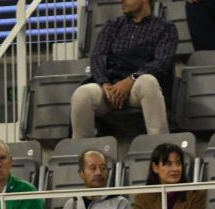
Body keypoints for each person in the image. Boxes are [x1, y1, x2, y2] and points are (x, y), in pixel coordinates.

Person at [70, 0, 173, 136]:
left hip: (137, 87)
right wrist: (104, 83)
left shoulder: (164, 28)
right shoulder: (113, 25)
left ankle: (160, 147)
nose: (121, 1)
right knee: (82, 94)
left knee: (148, 82)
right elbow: (98, 56)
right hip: (110, 88)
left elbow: (161, 63)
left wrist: (131, 80)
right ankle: (84, 153)